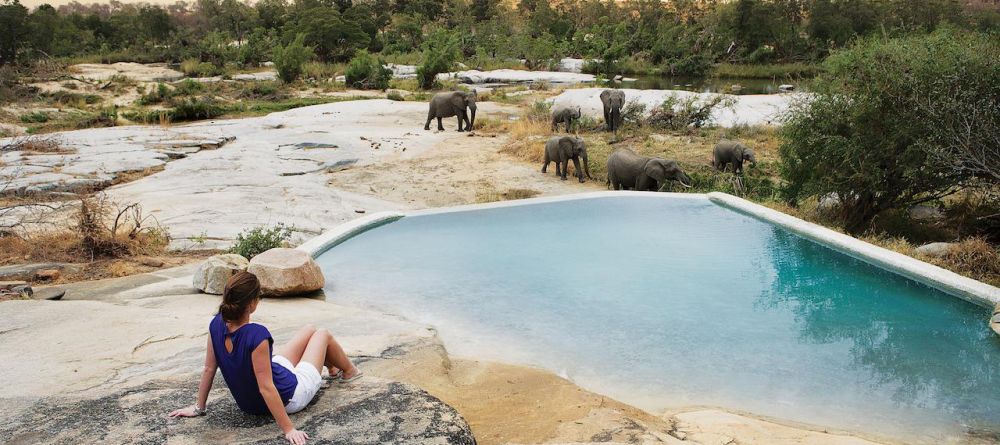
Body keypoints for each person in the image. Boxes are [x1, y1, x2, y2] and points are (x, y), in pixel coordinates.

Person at [169, 271, 361, 444]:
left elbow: (209, 368)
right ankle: (350, 371)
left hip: (252, 401)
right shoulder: (257, 335)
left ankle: (332, 368)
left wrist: (198, 408)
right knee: (322, 334)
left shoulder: (216, 324)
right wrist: (289, 429)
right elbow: (266, 387)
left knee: (309, 329)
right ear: (252, 303)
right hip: (291, 395)